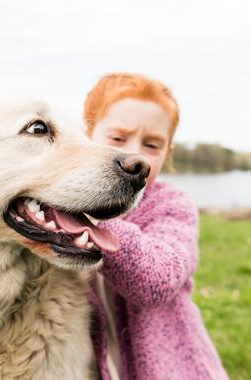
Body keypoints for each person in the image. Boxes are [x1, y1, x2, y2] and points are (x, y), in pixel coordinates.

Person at [84, 73, 229, 380]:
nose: (135, 154)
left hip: (174, 370)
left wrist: (93, 219)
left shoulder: (171, 205)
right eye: (118, 138)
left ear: (168, 153)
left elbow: (157, 280)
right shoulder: (63, 203)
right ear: (87, 134)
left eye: (152, 144)